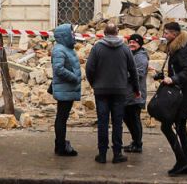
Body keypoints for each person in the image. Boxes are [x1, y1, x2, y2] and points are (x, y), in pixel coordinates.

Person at [85, 23, 140, 164]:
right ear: (117, 32)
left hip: (101, 91)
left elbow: (89, 69)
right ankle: (117, 154)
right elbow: (133, 70)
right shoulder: (125, 48)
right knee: (117, 123)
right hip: (119, 91)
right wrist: (136, 89)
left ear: (104, 32)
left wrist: (94, 84)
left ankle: (102, 154)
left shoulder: (97, 47)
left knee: (103, 123)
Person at [156, 22, 187, 176]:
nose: (164, 36)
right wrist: (166, 77)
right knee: (180, 129)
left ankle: (183, 161)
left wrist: (174, 79)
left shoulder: (183, 50)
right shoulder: (175, 49)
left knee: (169, 127)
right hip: (178, 96)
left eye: (166, 33)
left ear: (174, 34)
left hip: (181, 97)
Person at [50, 23, 82, 157]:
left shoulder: (66, 48)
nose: (73, 36)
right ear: (64, 36)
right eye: (71, 33)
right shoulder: (59, 50)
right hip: (65, 88)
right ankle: (61, 147)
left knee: (62, 117)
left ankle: (60, 143)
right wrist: (74, 78)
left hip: (67, 89)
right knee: (61, 118)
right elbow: (58, 69)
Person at [122, 33, 149, 154]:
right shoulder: (131, 54)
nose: (132, 44)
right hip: (128, 93)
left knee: (134, 118)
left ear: (140, 44)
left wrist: (122, 74)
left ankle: (138, 144)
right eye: (130, 42)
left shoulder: (141, 57)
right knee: (128, 117)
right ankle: (135, 141)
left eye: (135, 42)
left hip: (136, 93)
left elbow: (138, 74)